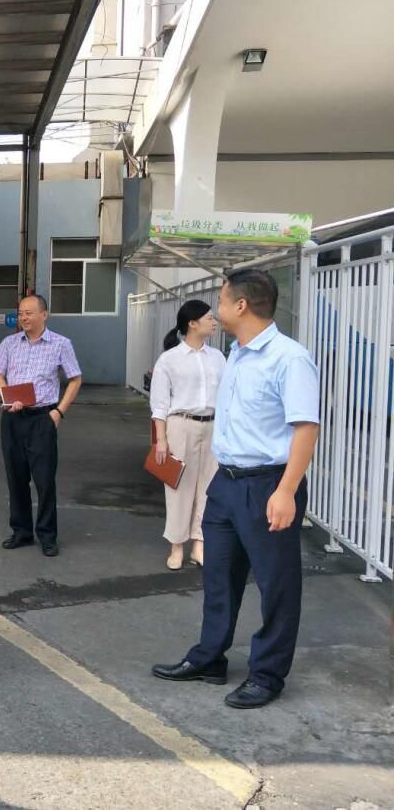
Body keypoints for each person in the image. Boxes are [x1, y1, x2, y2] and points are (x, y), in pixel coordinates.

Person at [153, 270, 320, 709]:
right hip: (225, 483)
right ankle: (209, 657)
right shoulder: (237, 354)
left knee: (276, 584)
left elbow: (306, 428)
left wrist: (286, 491)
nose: (217, 309)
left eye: (222, 300)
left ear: (241, 305)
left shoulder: (289, 358)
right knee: (219, 577)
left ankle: (267, 674)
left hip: (268, 484)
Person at [0, 294, 82, 557]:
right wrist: (6, 396)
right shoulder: (9, 343)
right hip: (12, 418)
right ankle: (21, 531)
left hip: (42, 418)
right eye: (20, 313)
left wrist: (58, 412)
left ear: (44, 314)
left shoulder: (61, 344)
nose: (23, 318)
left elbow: (75, 379)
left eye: (29, 312)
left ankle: (47, 535)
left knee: (44, 480)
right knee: (15, 477)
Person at [149, 300, 226, 570]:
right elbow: (159, 405)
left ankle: (199, 544)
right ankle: (176, 545)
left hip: (213, 425)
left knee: (208, 487)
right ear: (192, 323)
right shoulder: (169, 359)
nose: (214, 322)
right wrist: (161, 440)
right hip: (180, 425)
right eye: (209, 318)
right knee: (179, 487)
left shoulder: (218, 357)